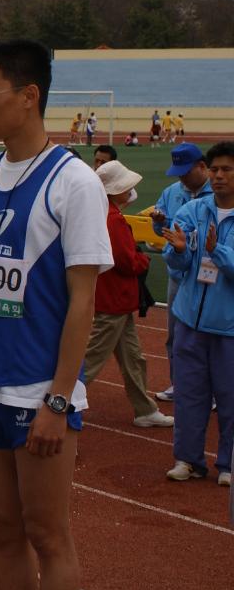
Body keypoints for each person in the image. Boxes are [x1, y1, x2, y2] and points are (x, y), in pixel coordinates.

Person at [0, 39, 112, 590]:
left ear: (29, 96)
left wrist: (59, 400)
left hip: (37, 389)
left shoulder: (73, 182)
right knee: (1, 528)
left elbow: (84, 299)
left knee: (48, 534)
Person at [159, 142, 234, 486]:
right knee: (189, 395)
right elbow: (178, 265)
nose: (219, 177)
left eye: (227, 170)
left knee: (230, 398)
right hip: (189, 319)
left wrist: (216, 251)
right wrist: (176, 252)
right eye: (215, 170)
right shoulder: (194, 210)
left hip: (228, 328)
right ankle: (188, 459)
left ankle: (227, 463)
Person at [87, 160, 173, 428]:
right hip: (113, 300)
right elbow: (126, 261)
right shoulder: (113, 220)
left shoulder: (102, 214)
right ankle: (58, 404)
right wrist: (143, 259)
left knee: (133, 358)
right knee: (88, 361)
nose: (131, 190)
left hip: (116, 301)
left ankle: (144, 409)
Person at [151, 142, 212, 402]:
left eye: (186, 171)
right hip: (179, 276)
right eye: (178, 171)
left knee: (210, 335)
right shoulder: (171, 192)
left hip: (212, 277)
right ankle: (179, 384)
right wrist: (158, 224)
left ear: (202, 166)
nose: (182, 177)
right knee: (175, 334)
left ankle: (213, 390)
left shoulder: (219, 193)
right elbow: (161, 232)